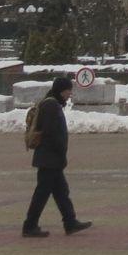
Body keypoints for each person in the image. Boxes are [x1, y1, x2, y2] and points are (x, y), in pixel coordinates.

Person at [23, 75, 91, 238]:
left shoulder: (52, 104)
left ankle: (70, 222)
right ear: (61, 90)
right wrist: (60, 151)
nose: (70, 94)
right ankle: (29, 226)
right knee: (42, 194)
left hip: (50, 158)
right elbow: (52, 133)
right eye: (69, 90)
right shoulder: (51, 106)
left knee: (61, 192)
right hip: (49, 159)